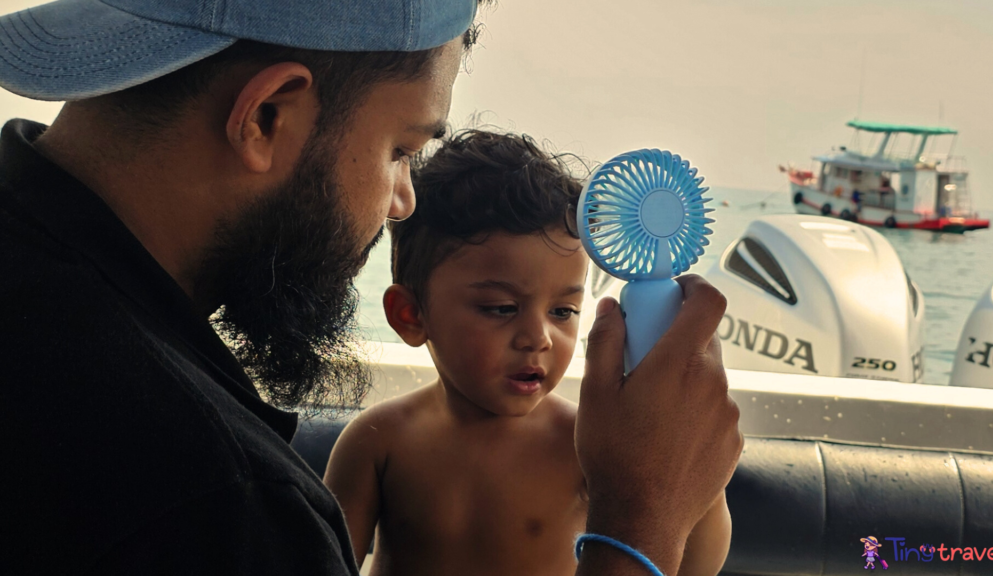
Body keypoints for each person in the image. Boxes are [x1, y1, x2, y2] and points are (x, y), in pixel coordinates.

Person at [0, 0, 742, 574]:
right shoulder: (215, 509)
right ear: (266, 115)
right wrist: (638, 530)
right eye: (401, 151)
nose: (402, 201)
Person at [323, 130, 732, 576]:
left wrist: (685, 461)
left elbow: (696, 564)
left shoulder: (590, 446)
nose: (538, 337)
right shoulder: (378, 441)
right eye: (501, 308)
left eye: (563, 310)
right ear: (411, 315)